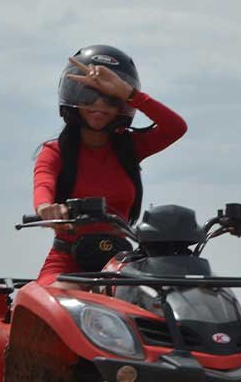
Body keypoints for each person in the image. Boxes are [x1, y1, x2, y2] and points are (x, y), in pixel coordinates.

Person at [33, 45, 187, 287]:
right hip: (67, 261)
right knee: (59, 302)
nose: (99, 104)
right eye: (88, 95)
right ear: (72, 97)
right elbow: (43, 184)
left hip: (121, 263)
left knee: (162, 303)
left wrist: (129, 93)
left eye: (111, 99)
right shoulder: (55, 152)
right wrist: (46, 208)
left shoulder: (130, 148)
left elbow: (176, 127)